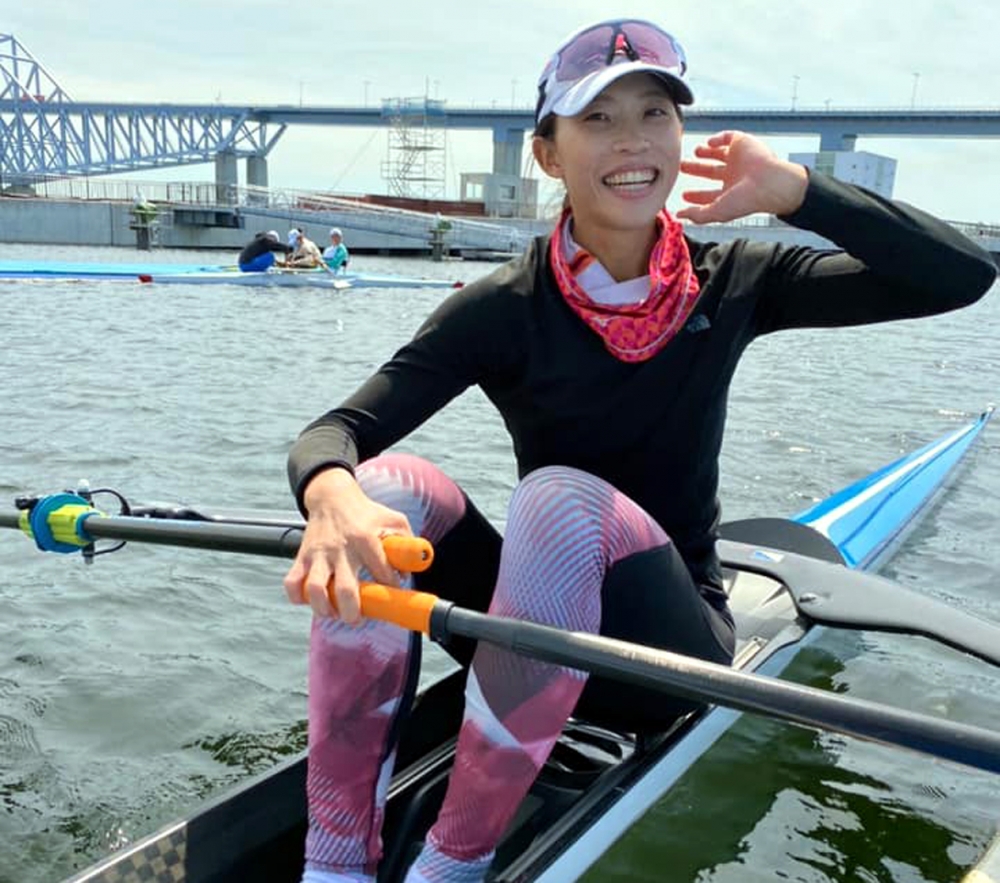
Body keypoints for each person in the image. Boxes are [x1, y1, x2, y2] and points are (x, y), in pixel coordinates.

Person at [282, 18, 996, 883]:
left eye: (655, 113)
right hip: (540, 631)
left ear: (680, 136)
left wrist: (798, 191)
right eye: (599, 118)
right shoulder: (502, 306)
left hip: (671, 656)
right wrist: (331, 493)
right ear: (548, 155)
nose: (633, 141)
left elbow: (962, 276)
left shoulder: (736, 279)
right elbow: (336, 432)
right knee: (384, 487)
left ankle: (453, 864)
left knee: (555, 498)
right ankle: (334, 860)